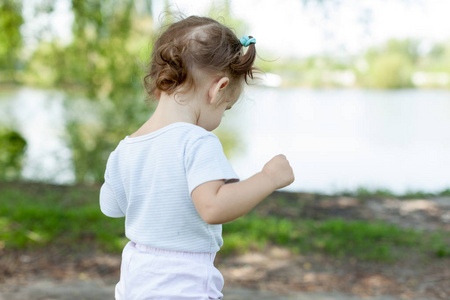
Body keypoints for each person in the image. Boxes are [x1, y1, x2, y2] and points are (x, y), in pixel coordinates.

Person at [99, 15, 295, 300]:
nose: (221, 116)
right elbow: (213, 206)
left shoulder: (126, 147)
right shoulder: (196, 141)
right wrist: (268, 178)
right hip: (182, 284)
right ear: (218, 90)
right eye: (226, 108)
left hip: (135, 280)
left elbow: (111, 206)